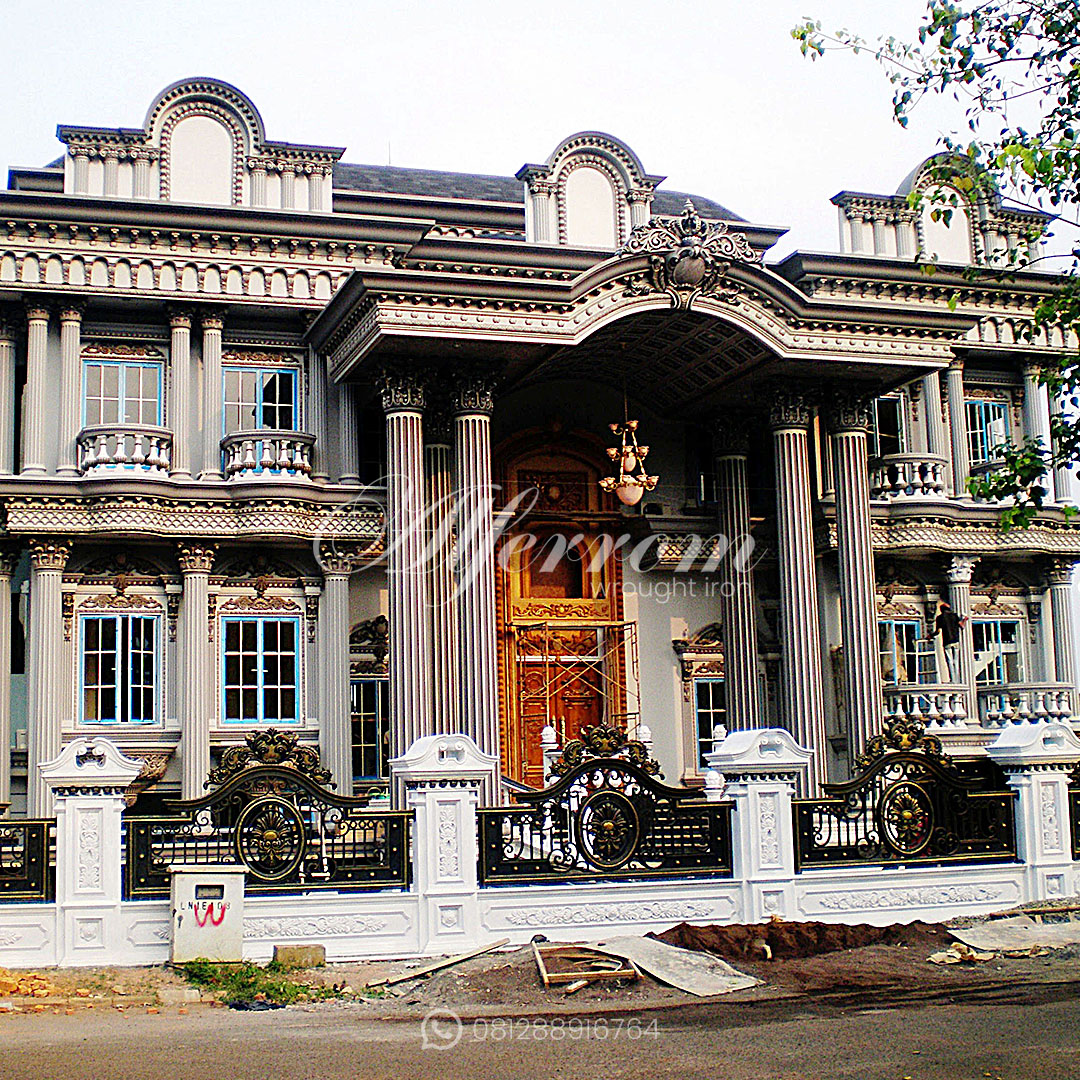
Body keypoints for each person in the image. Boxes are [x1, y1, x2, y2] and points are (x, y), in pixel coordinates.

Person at [932, 600, 966, 682]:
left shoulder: (939, 618)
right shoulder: (954, 616)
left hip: (947, 641)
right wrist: (964, 620)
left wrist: (931, 635)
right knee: (956, 661)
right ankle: (957, 680)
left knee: (950, 661)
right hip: (956, 640)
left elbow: (937, 632)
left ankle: (953, 680)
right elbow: (961, 626)